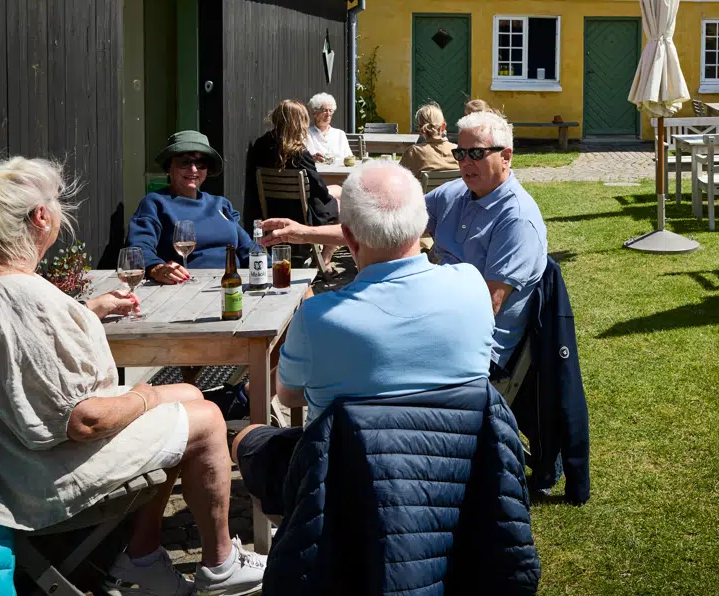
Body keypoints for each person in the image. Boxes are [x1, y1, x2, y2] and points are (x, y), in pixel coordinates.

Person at [0, 157, 266, 595]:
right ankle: (219, 563)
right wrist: (143, 398)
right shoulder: (23, 297)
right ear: (40, 217)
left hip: (5, 445)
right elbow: (83, 420)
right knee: (205, 421)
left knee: (186, 391)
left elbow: (25, 345)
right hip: (39, 474)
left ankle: (142, 558)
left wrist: (88, 311)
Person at [232, 160, 496, 502]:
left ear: (350, 242)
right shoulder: (473, 285)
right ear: (422, 226)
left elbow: (288, 396)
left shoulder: (318, 317)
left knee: (248, 439)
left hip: (349, 489)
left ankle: (283, 538)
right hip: (460, 476)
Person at [425, 111, 548, 388]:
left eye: (477, 154)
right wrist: (311, 232)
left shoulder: (517, 218)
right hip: (440, 324)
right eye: (461, 154)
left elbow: (486, 308)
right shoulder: (454, 192)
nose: (466, 163)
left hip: (475, 352)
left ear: (506, 156)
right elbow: (398, 224)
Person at [127, 131, 260, 284]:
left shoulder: (220, 204)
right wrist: (157, 268)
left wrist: (270, 268)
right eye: (185, 162)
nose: (193, 169)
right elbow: (138, 247)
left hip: (233, 283)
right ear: (169, 167)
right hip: (188, 287)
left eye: (201, 163)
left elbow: (248, 248)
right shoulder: (156, 203)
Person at [243, 100, 341, 228]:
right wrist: (331, 200)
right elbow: (319, 190)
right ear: (299, 123)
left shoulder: (261, 144)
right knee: (341, 202)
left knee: (337, 191)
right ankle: (327, 248)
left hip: (270, 209)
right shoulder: (299, 153)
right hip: (301, 215)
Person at [400, 101, 459, 177]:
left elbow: (399, 179)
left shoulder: (413, 152)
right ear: (443, 126)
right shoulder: (457, 151)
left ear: (421, 129)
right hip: (452, 189)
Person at [307, 93, 352, 163]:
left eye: (330, 110)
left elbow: (349, 157)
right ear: (314, 113)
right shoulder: (307, 134)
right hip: (316, 172)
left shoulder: (340, 134)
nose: (328, 114)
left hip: (339, 172)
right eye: (324, 110)